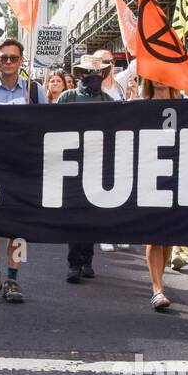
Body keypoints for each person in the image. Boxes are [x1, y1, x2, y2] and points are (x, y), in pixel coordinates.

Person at [0, 39, 47, 304]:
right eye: (4, 58)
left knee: (19, 228)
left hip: (24, 168)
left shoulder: (35, 93)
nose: (9, 62)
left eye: (14, 58)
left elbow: (49, 130)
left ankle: (14, 278)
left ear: (21, 61)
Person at [57, 55, 119, 282]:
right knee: (75, 215)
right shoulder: (67, 97)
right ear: (80, 74)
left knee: (92, 214)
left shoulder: (108, 101)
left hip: (98, 164)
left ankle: (87, 260)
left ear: (102, 75)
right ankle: (73, 263)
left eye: (97, 73)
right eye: (88, 73)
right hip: (71, 164)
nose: (93, 77)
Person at [137, 77, 182, 310]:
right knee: (154, 234)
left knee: (168, 236)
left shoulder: (187, 104)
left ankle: (159, 279)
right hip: (149, 175)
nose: (161, 78)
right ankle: (157, 289)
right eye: (156, 74)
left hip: (178, 176)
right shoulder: (140, 105)